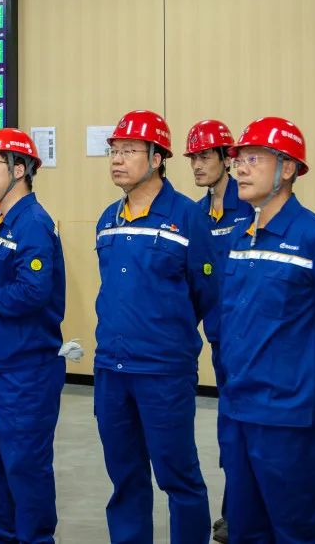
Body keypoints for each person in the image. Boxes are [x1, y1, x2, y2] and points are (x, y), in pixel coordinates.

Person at [218, 117, 315, 543]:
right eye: (239, 160)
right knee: (245, 529)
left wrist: (310, 372)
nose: (240, 169)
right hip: (237, 409)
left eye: (254, 159)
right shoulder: (240, 236)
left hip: (289, 416)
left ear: (288, 169)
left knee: (296, 531)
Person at [94, 110, 218, 544]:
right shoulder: (108, 219)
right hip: (111, 369)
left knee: (178, 475)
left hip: (163, 372)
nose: (117, 159)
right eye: (114, 151)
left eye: (129, 150)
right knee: (124, 476)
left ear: (157, 158)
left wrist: (167, 333)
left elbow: (207, 294)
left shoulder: (188, 217)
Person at [0, 128, 66, 543]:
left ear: (19, 169)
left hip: (26, 371)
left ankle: (35, 539)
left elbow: (34, 291)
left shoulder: (33, 224)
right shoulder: (2, 223)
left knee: (25, 466)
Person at [183, 119, 250, 544]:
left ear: (227, 159)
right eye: (193, 157)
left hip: (256, 340)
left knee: (251, 428)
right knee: (230, 428)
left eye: (205, 155)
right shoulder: (196, 214)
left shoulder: (250, 204)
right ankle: (235, 510)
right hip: (222, 340)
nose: (197, 164)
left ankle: (247, 513)